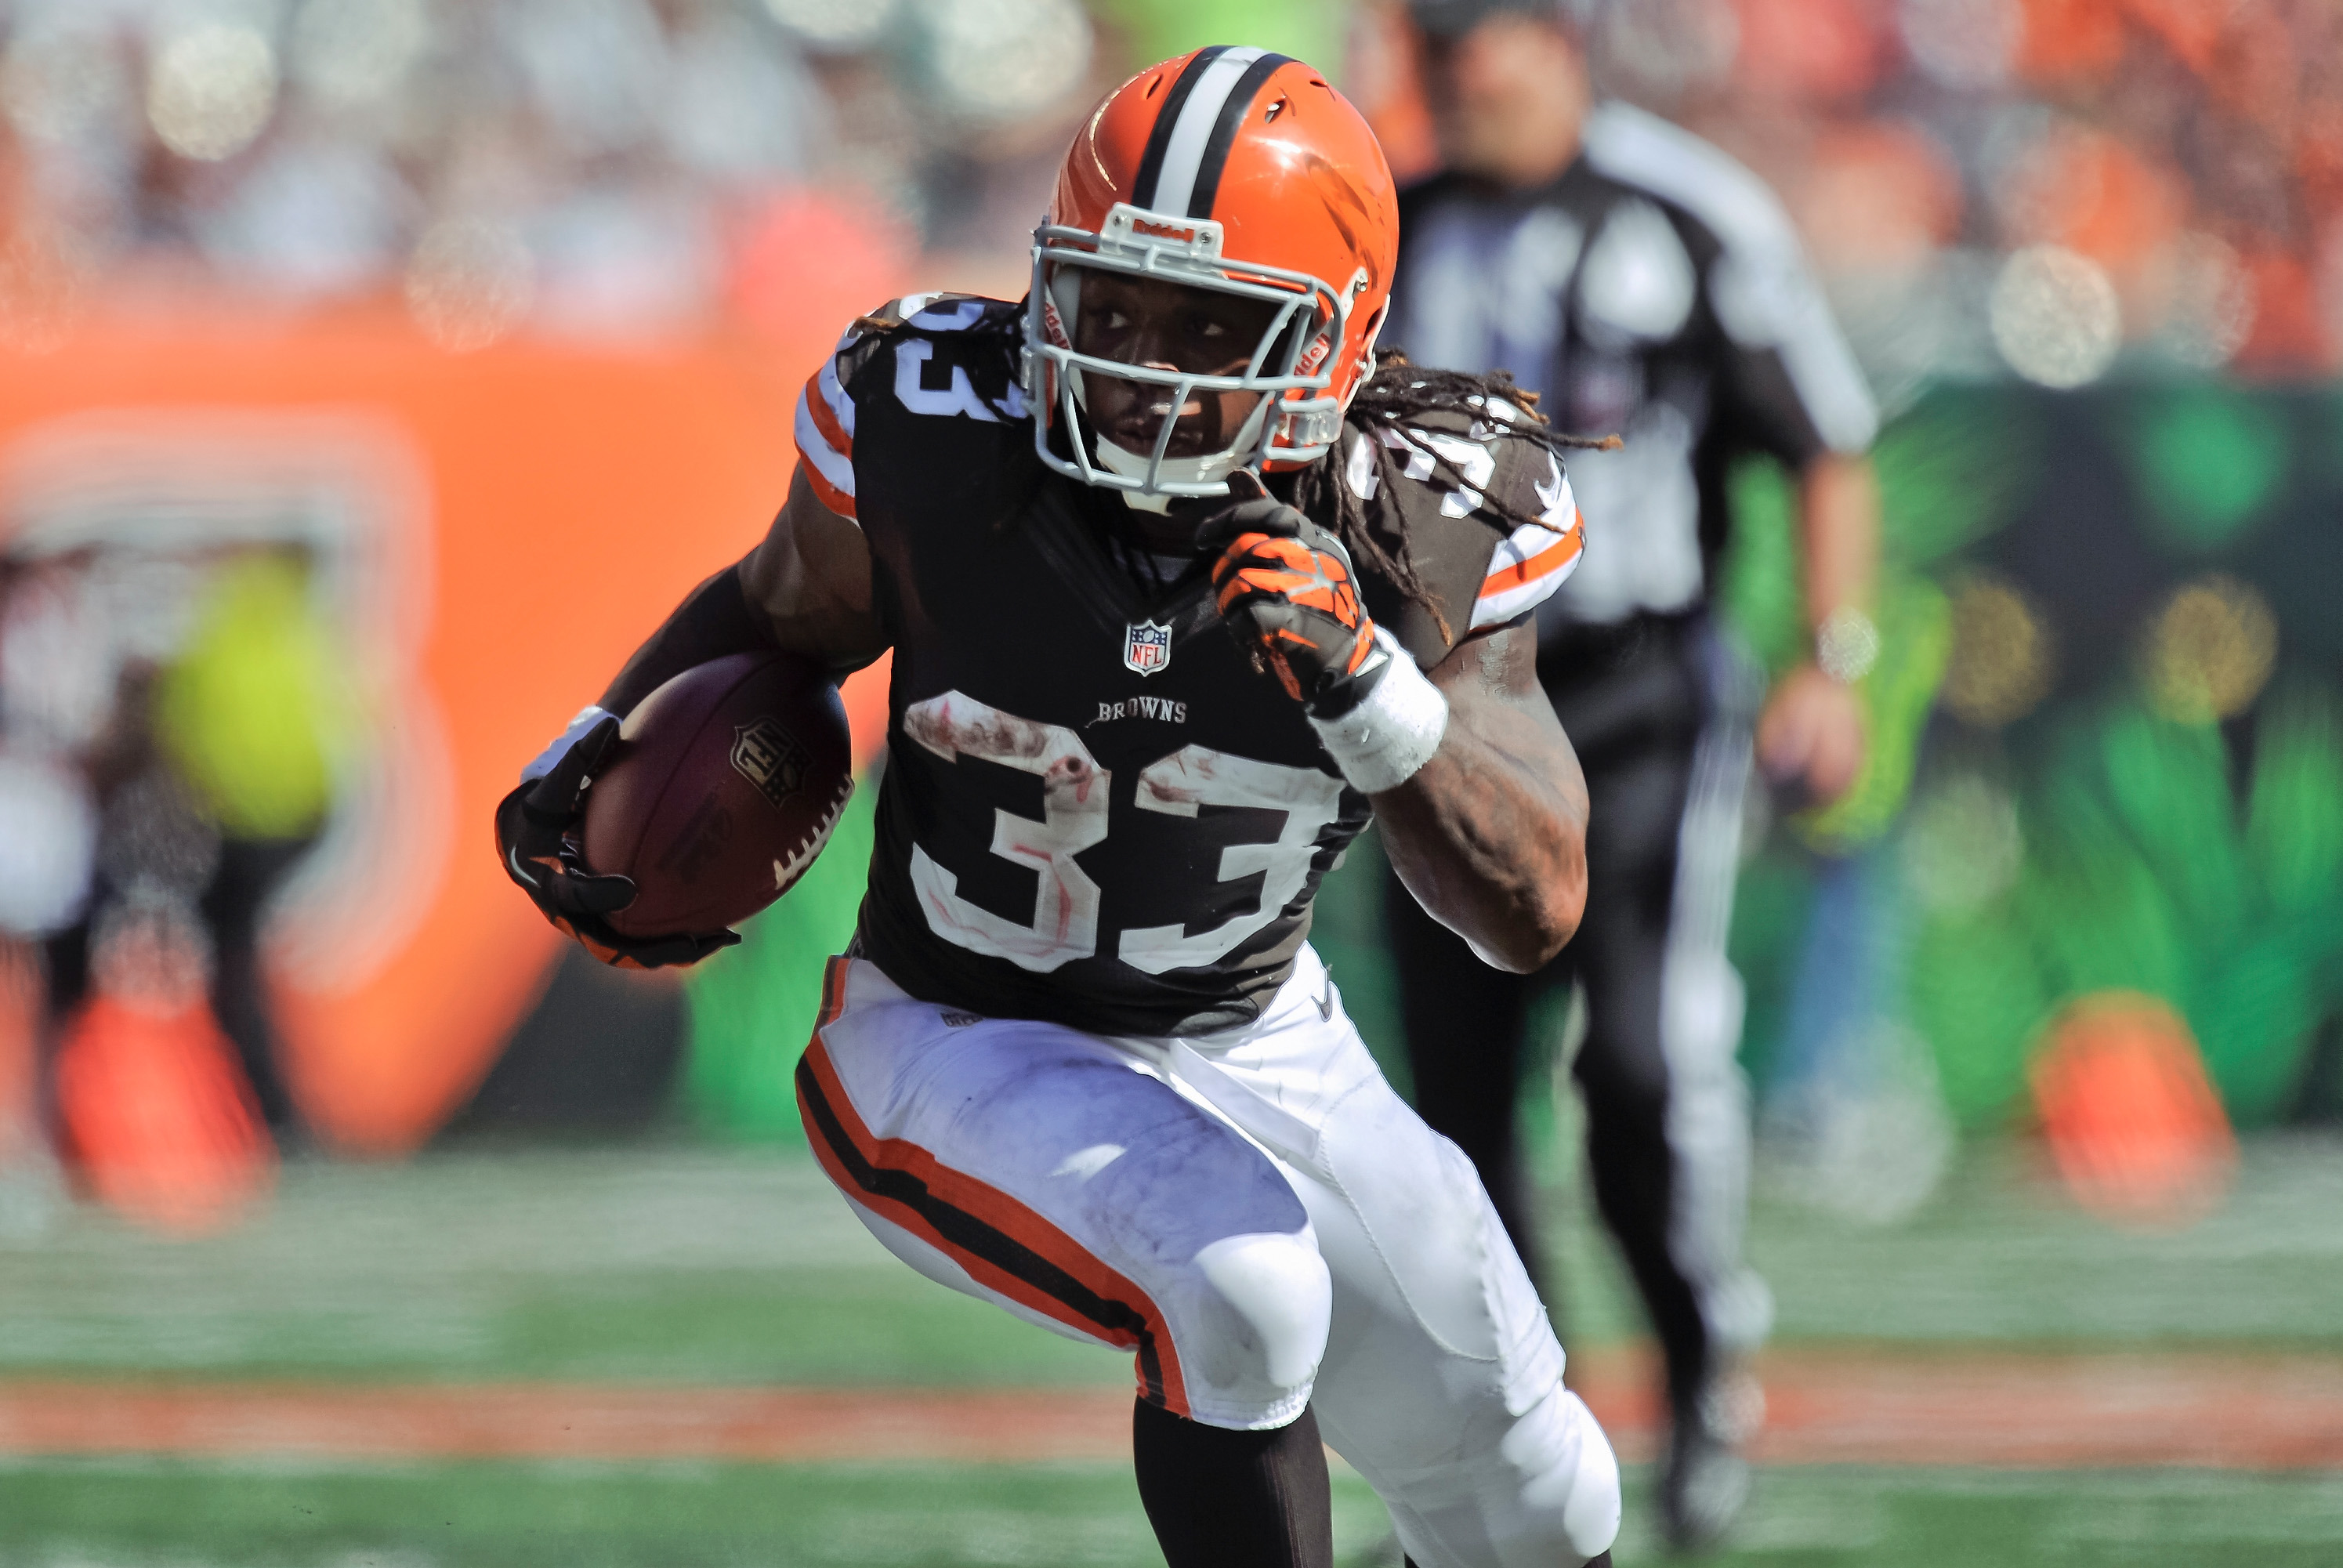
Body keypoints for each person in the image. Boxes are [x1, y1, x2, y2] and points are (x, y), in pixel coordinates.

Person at [500, 45, 1622, 1568]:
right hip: (952, 1027)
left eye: (1209, 326)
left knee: (1541, 1494)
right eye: (1114, 307)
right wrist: (607, 752)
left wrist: (1364, 682)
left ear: (1337, 339)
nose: (1147, 366)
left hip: (1252, 1027)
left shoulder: (1427, 506)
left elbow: (1531, 903)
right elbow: (777, 616)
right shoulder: (934, 429)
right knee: (1240, 1284)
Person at [1382, 0, 1884, 1549]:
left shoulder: (1687, 209)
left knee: (1643, 1075)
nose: (1464, 69)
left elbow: (1823, 437)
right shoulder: (1395, 224)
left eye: (1488, 38)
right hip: (1441, 707)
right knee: (1459, 1108)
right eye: (1440, 38)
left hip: (1638, 699)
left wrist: (1829, 654)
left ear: (1558, 40)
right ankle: (1528, 1423)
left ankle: (1695, 1366)